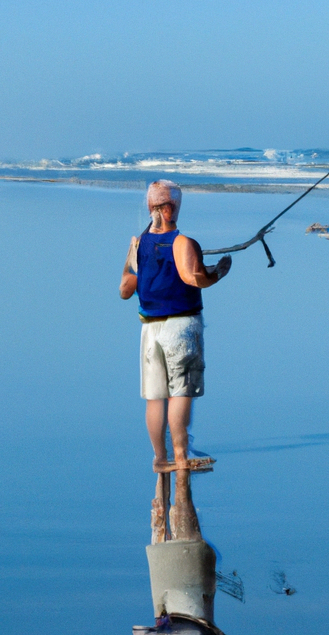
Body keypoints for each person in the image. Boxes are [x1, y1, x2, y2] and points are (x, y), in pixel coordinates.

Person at [120, 180, 231, 472]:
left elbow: (125, 289)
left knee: (155, 398)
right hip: (181, 326)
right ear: (168, 209)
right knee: (181, 392)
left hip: (149, 329)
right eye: (174, 206)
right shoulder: (184, 242)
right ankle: (181, 457)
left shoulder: (137, 243)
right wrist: (218, 273)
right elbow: (193, 277)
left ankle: (159, 458)